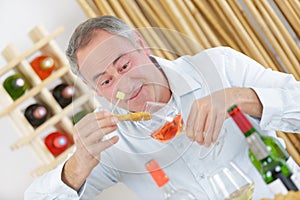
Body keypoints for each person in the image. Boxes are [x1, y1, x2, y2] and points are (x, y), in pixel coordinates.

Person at [25, 15, 300, 200]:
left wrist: (241, 98)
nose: (125, 83)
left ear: (142, 46)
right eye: (107, 80)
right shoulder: (108, 140)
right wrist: (77, 165)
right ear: (96, 90)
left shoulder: (219, 66)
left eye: (124, 65)